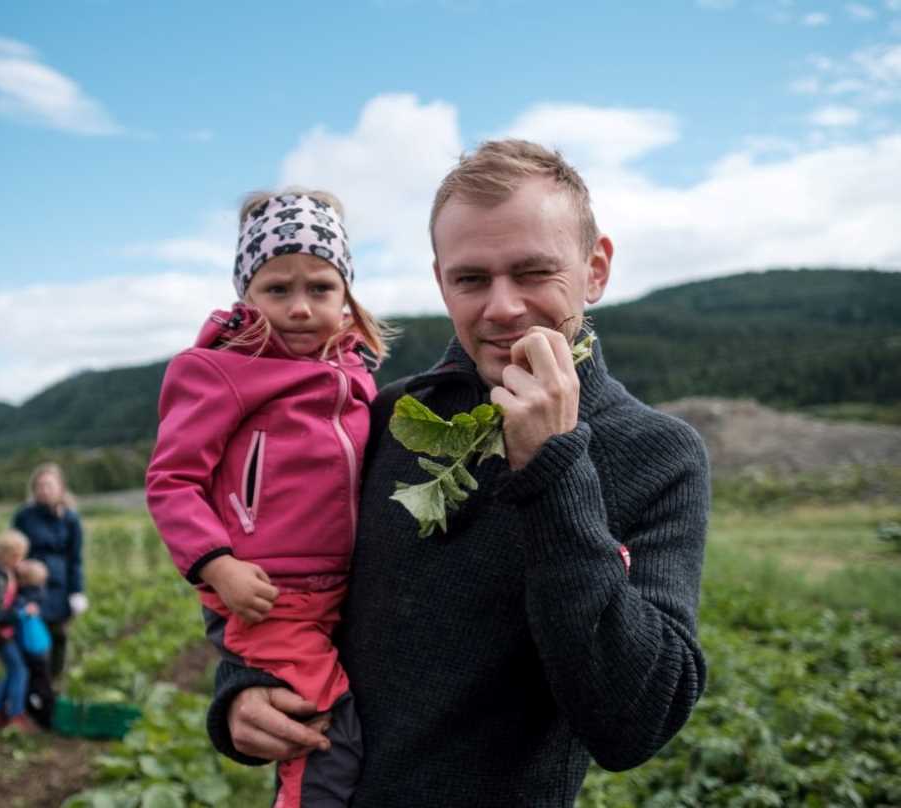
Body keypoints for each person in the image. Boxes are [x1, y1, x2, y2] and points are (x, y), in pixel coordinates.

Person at [208, 141, 711, 807]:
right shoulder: (386, 418)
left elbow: (634, 723)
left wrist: (553, 469)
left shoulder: (656, 454)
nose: (502, 307)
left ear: (595, 269)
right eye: (472, 279)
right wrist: (243, 684)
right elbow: (285, 567)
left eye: (534, 272)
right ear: (442, 282)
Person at [146, 189, 391, 808]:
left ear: (347, 296)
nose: (301, 308)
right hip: (269, 596)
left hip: (344, 591)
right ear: (246, 296)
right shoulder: (218, 372)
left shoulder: (357, 378)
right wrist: (216, 564)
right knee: (325, 737)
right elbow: (171, 481)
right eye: (277, 289)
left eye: (321, 288)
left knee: (356, 729)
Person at [12, 462, 87, 678]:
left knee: (59, 635)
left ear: (60, 488)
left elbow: (75, 558)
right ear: (34, 489)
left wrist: (77, 591)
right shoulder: (24, 516)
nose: (44, 490)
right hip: (32, 585)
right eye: (40, 486)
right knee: (34, 636)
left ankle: (54, 681)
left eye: (49, 485)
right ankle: (34, 684)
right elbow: (14, 547)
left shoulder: (70, 519)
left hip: (60, 585)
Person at [0, 528, 38, 733]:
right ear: (6, 555)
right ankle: (15, 715)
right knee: (20, 670)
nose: (20, 561)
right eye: (17, 556)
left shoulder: (6, 572)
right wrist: (21, 613)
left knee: (12, 670)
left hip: (4, 632)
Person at [15, 558, 55, 729]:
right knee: (42, 681)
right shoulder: (39, 594)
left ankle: (43, 715)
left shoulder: (24, 598)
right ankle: (45, 713)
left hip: (32, 647)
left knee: (36, 683)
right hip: (41, 645)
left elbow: (15, 615)